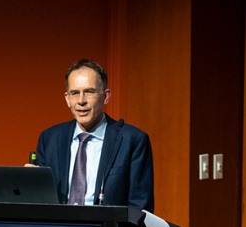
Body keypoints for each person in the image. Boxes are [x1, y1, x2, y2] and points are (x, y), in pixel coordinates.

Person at [30, 58, 154, 211]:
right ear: (67, 99)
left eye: (89, 92)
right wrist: (31, 187)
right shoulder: (49, 139)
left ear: (106, 96)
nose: (81, 101)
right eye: (75, 93)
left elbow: (140, 208)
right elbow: (39, 203)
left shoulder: (132, 140)